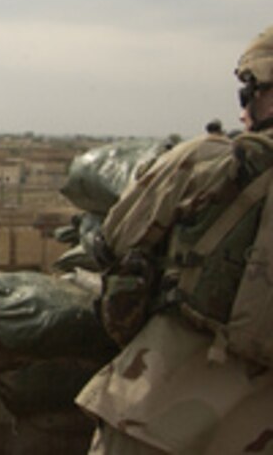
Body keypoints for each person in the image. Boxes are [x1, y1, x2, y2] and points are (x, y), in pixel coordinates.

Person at [76, 25, 273, 454]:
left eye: (248, 93)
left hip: (157, 414)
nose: (242, 112)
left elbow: (112, 240)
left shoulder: (208, 161)